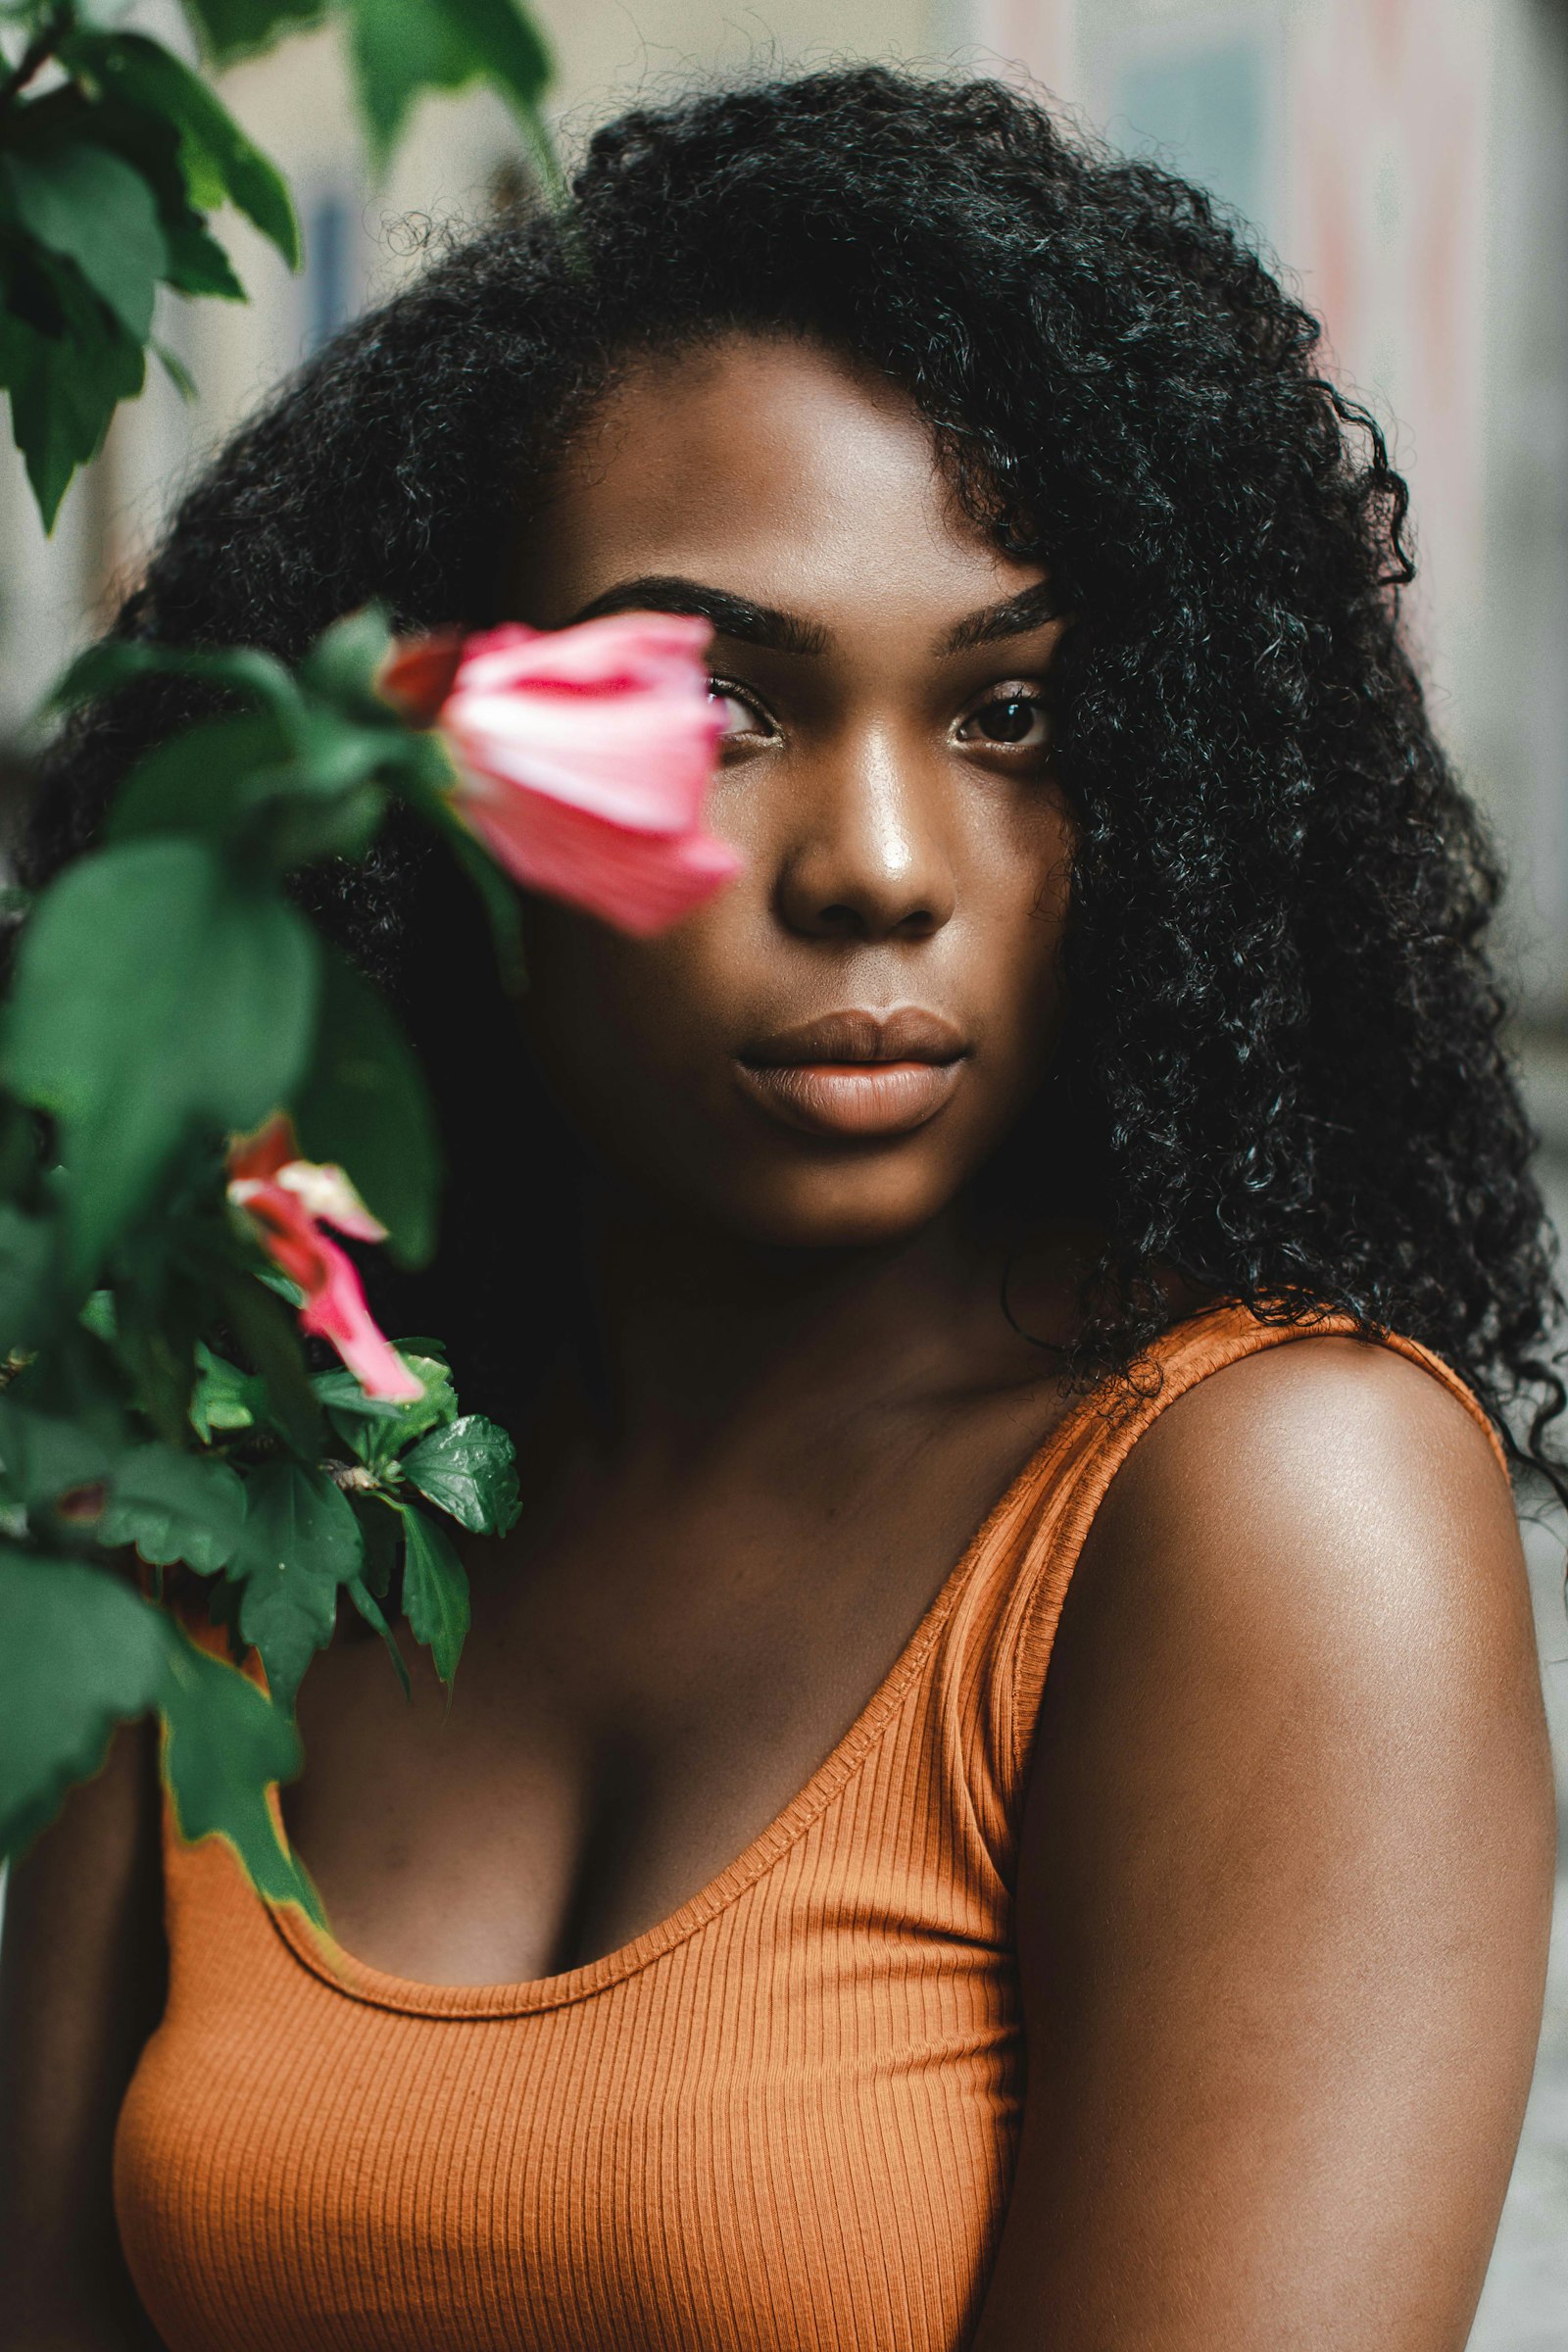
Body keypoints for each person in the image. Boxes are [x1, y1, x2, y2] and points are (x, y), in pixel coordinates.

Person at [0, 65, 1556, 2352]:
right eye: (718, 702)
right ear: (436, 764)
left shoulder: (1256, 1508)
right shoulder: (261, 1463)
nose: (880, 871)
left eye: (1012, 717)